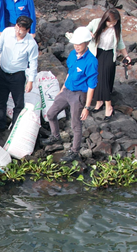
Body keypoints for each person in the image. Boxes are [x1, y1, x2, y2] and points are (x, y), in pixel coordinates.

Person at [41, 27, 98, 162]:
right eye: (75, 43)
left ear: (87, 43)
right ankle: (55, 136)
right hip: (67, 90)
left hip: (78, 95)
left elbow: (91, 86)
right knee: (50, 113)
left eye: (80, 44)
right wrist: (62, 88)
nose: (77, 46)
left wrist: (87, 107)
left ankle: (74, 151)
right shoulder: (72, 54)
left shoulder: (91, 61)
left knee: (75, 124)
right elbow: (70, 72)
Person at [0, 16, 39, 134]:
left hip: (18, 76)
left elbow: (33, 62)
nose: (18, 31)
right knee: (0, 100)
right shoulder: (7, 33)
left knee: (18, 103)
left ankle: (15, 128)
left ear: (27, 30)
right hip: (3, 72)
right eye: (17, 27)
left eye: (22, 29)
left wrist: (30, 81)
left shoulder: (31, 44)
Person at [85, 8, 131, 120]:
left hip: (110, 54)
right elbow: (84, 30)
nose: (112, 25)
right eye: (110, 22)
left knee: (104, 79)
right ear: (105, 19)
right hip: (97, 53)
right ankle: (99, 102)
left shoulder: (116, 27)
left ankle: (108, 106)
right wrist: (89, 33)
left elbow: (120, 43)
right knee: (96, 77)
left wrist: (126, 55)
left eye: (114, 22)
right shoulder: (96, 22)